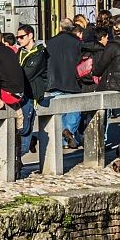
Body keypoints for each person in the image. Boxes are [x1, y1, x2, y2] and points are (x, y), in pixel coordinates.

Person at [46, 18, 86, 148]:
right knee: (74, 110)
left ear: (60, 28)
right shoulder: (77, 43)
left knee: (60, 112)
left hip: (55, 80)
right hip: (72, 80)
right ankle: (68, 133)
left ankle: (64, 135)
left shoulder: (50, 42)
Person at [16, 23, 48, 159]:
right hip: (19, 94)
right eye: (17, 37)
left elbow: (28, 73)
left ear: (30, 36)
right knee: (20, 127)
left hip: (31, 93)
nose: (19, 40)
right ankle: (21, 155)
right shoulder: (20, 52)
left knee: (24, 128)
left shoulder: (40, 52)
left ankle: (18, 158)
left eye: (21, 37)